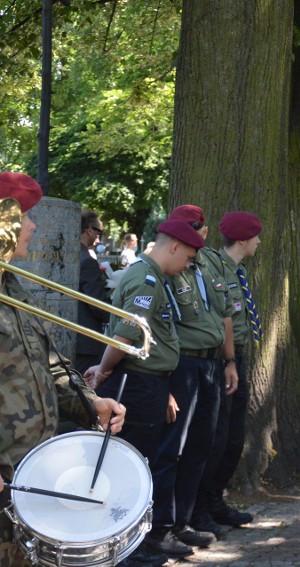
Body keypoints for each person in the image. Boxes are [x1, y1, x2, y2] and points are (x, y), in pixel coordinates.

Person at [0, 172, 126, 567]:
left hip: (32, 477)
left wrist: (93, 404)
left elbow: (50, 366)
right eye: (22, 216)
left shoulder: (12, 286)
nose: (32, 225)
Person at [85, 219, 202, 566]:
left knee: (144, 462)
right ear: (174, 247)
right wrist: (104, 369)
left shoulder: (155, 278)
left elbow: (154, 339)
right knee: (132, 465)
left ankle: (136, 544)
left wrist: (163, 386)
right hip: (137, 385)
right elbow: (125, 336)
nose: (188, 266)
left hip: (150, 383)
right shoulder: (146, 279)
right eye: (190, 257)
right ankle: (128, 551)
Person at [145, 205, 239, 558]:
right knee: (171, 449)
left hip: (211, 364)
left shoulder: (206, 266)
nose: (196, 238)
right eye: (188, 232)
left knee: (201, 445)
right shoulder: (163, 270)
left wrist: (229, 360)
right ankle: (160, 527)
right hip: (181, 365)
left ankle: (183, 520)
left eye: (198, 231)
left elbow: (224, 314)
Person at [190, 212, 262, 536]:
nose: (259, 242)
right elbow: (221, 319)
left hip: (238, 359)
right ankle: (199, 508)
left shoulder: (239, 272)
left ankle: (215, 500)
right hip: (222, 361)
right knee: (216, 440)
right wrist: (229, 360)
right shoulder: (212, 266)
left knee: (233, 438)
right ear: (244, 240)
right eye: (256, 237)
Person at [76, 211, 111, 373]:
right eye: (99, 232)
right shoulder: (87, 261)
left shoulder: (70, 256)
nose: (99, 237)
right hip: (86, 341)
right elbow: (97, 304)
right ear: (89, 230)